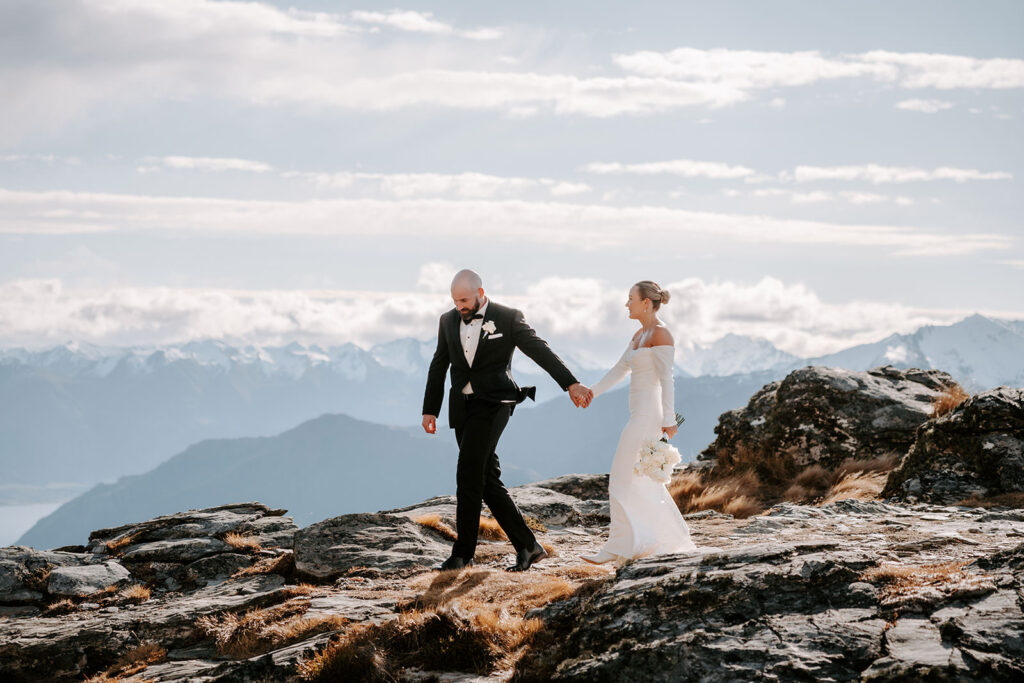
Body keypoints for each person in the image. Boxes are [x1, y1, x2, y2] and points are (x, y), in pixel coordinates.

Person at [422, 269, 593, 572]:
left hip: (494, 405)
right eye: (454, 300)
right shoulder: (447, 321)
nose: (459, 306)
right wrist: (430, 409)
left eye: (464, 299)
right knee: (486, 480)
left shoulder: (508, 317)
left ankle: (462, 555)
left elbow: (539, 350)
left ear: (481, 294)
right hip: (462, 407)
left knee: (468, 474)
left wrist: (570, 383)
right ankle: (529, 547)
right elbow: (439, 364)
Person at [580, 280, 698, 566]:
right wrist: (591, 391)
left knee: (621, 479)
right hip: (638, 416)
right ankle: (639, 545)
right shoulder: (638, 335)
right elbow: (619, 369)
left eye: (630, 298)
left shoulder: (661, 334)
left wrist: (669, 420)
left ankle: (618, 548)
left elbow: (667, 379)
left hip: (648, 418)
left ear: (646, 302)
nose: (626, 303)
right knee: (636, 483)